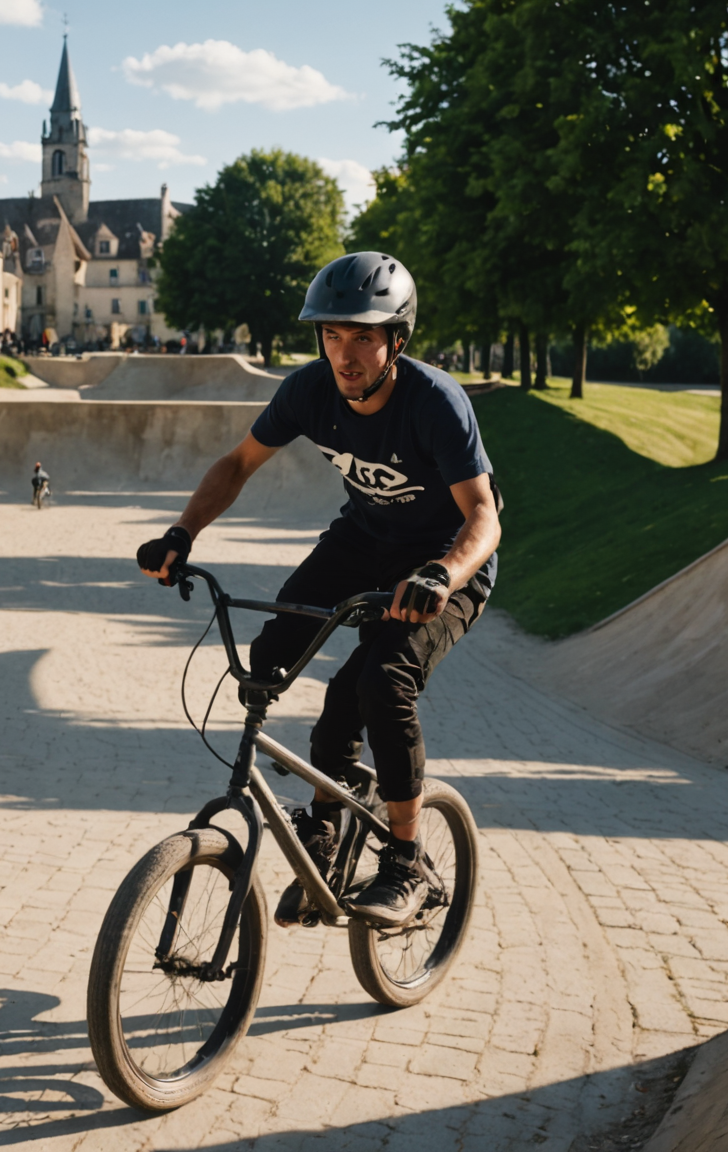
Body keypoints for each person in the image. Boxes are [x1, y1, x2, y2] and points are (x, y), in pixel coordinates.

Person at [135, 251, 500, 929]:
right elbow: (238, 464)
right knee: (269, 654)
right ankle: (326, 834)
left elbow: (484, 515)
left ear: (397, 340)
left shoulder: (434, 403)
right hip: (362, 543)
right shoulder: (309, 392)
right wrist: (181, 535)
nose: (345, 354)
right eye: (332, 335)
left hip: (445, 563)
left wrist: (443, 575)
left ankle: (405, 861)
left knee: (380, 681)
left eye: (363, 336)